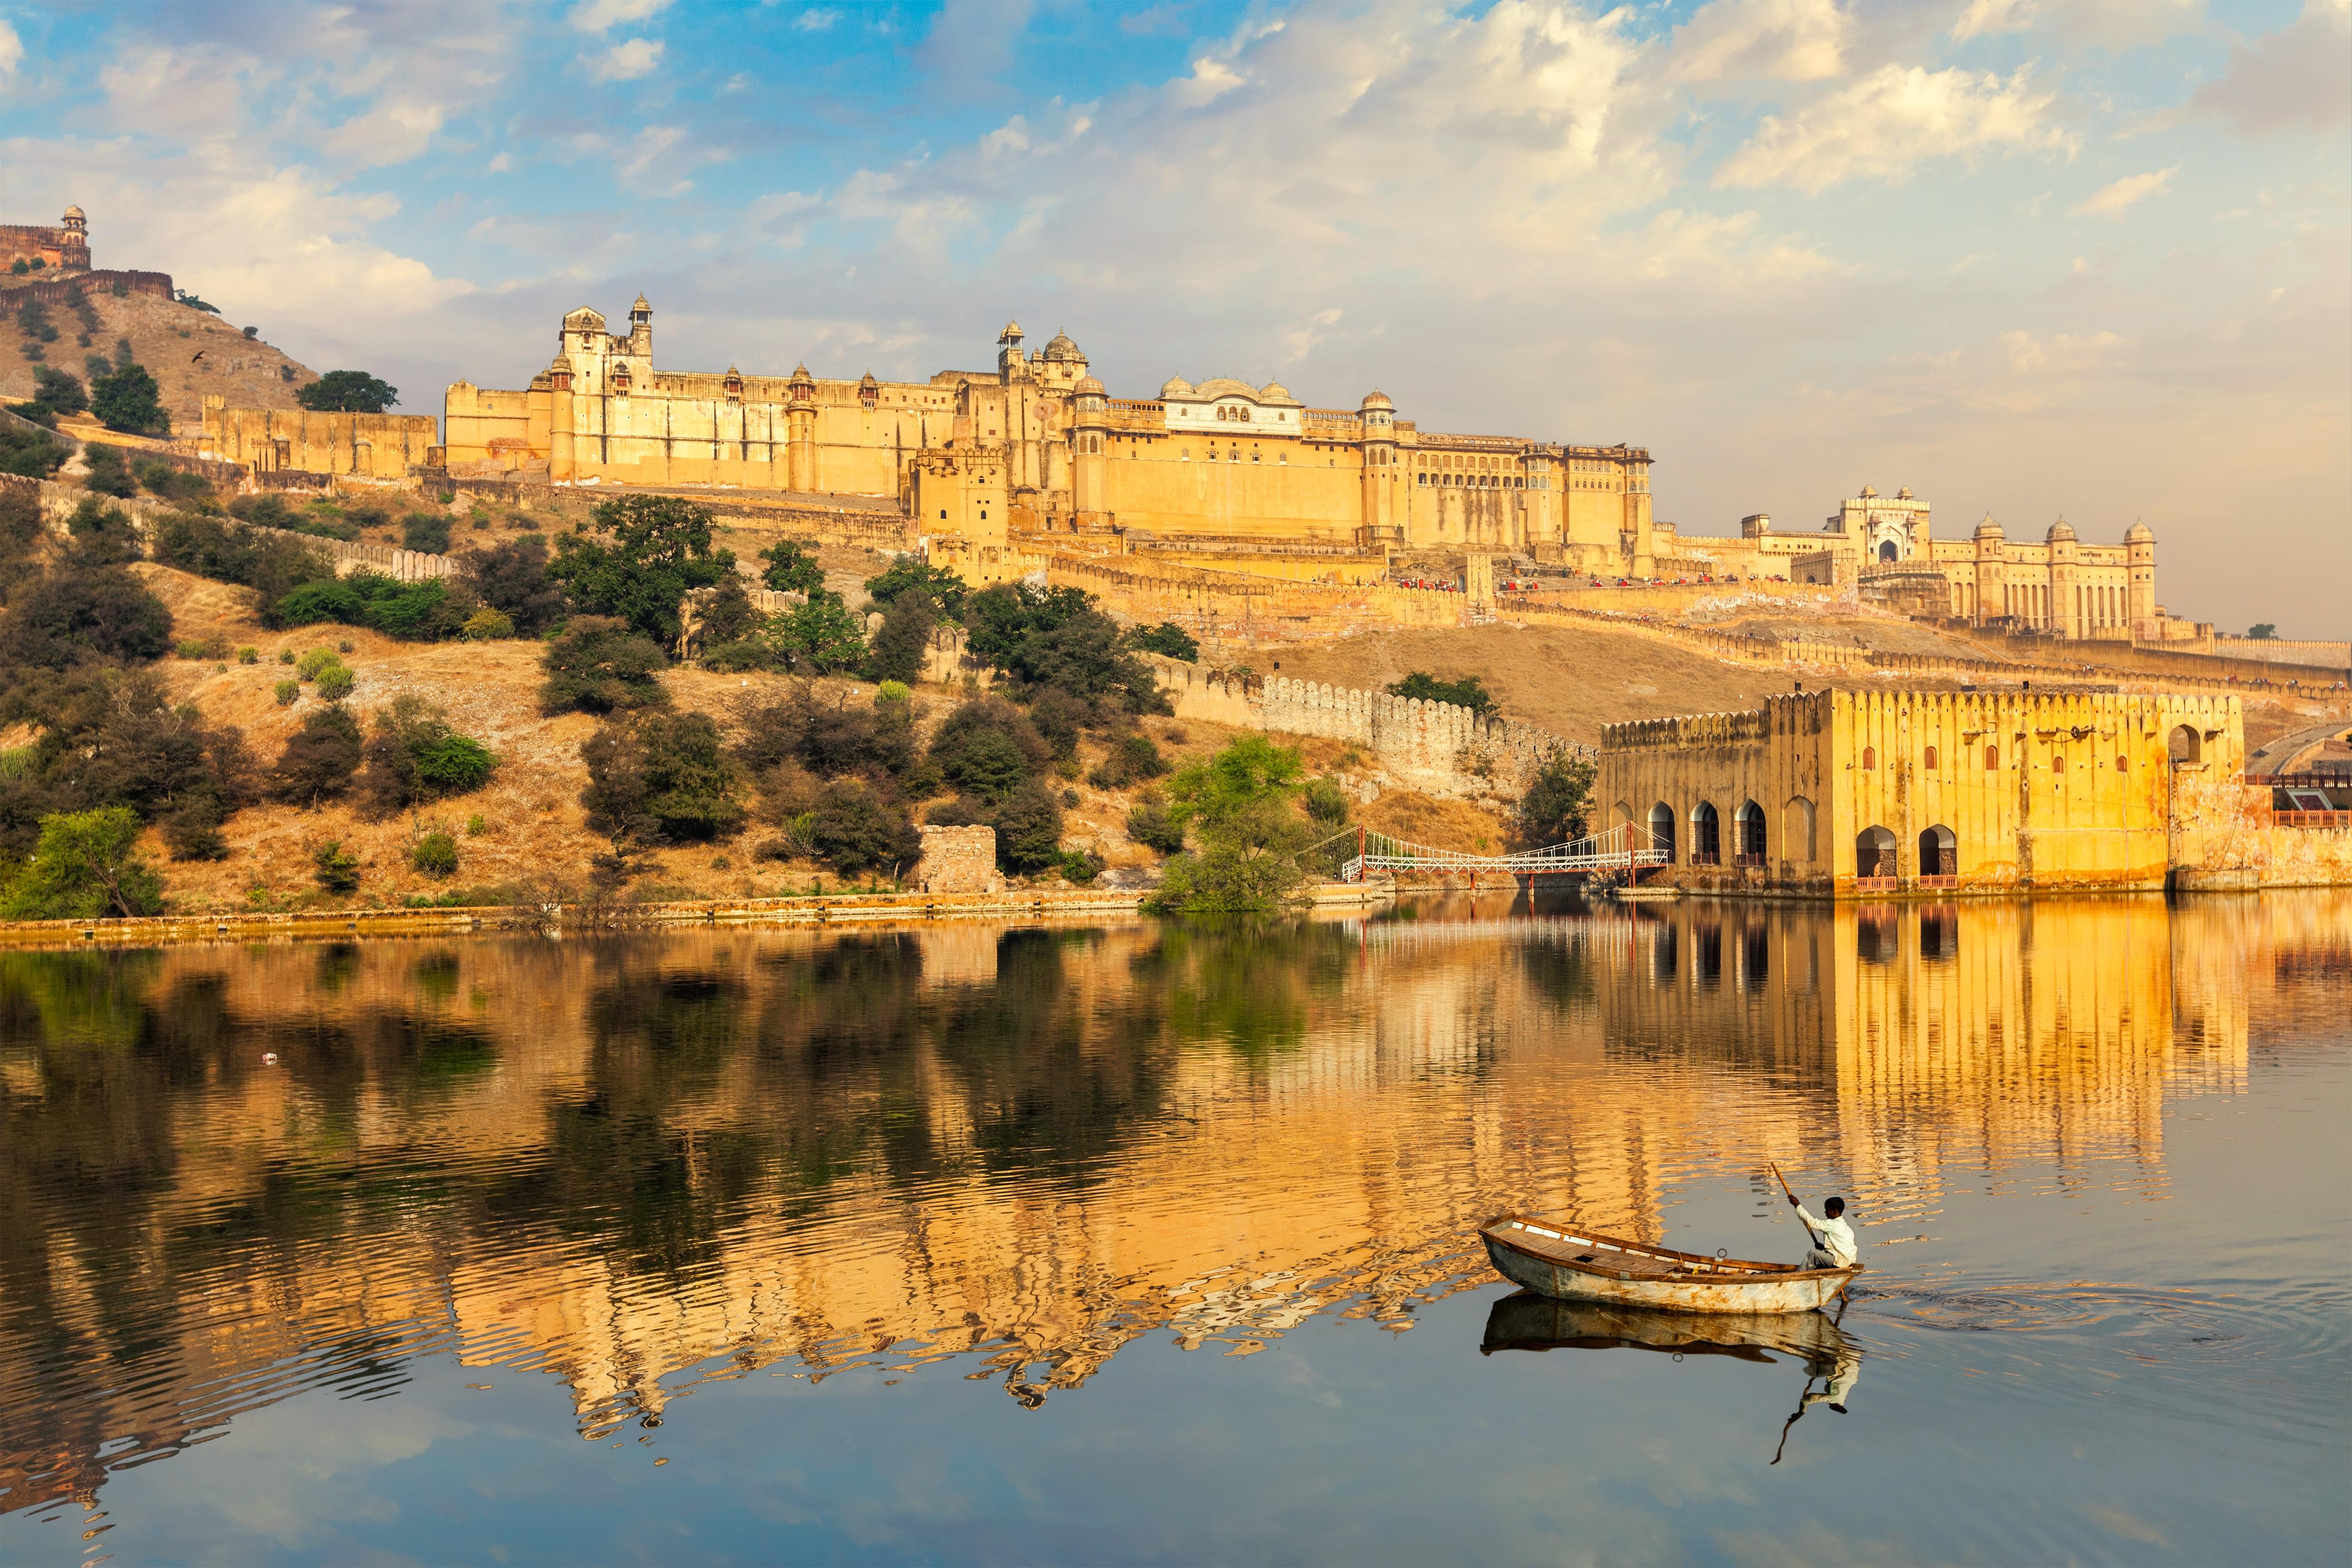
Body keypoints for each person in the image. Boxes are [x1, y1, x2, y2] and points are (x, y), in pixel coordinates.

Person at [1788, 1192, 1855, 1269]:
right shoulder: (1846, 1228)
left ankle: (1798, 1275)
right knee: (1817, 1266)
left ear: (1834, 1211)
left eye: (1827, 1210)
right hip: (1846, 1261)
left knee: (1813, 1254)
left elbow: (1812, 1222)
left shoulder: (1832, 1224)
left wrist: (1797, 1205)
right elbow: (1841, 1246)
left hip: (1840, 1262)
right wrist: (1824, 1247)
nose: (1825, 1212)